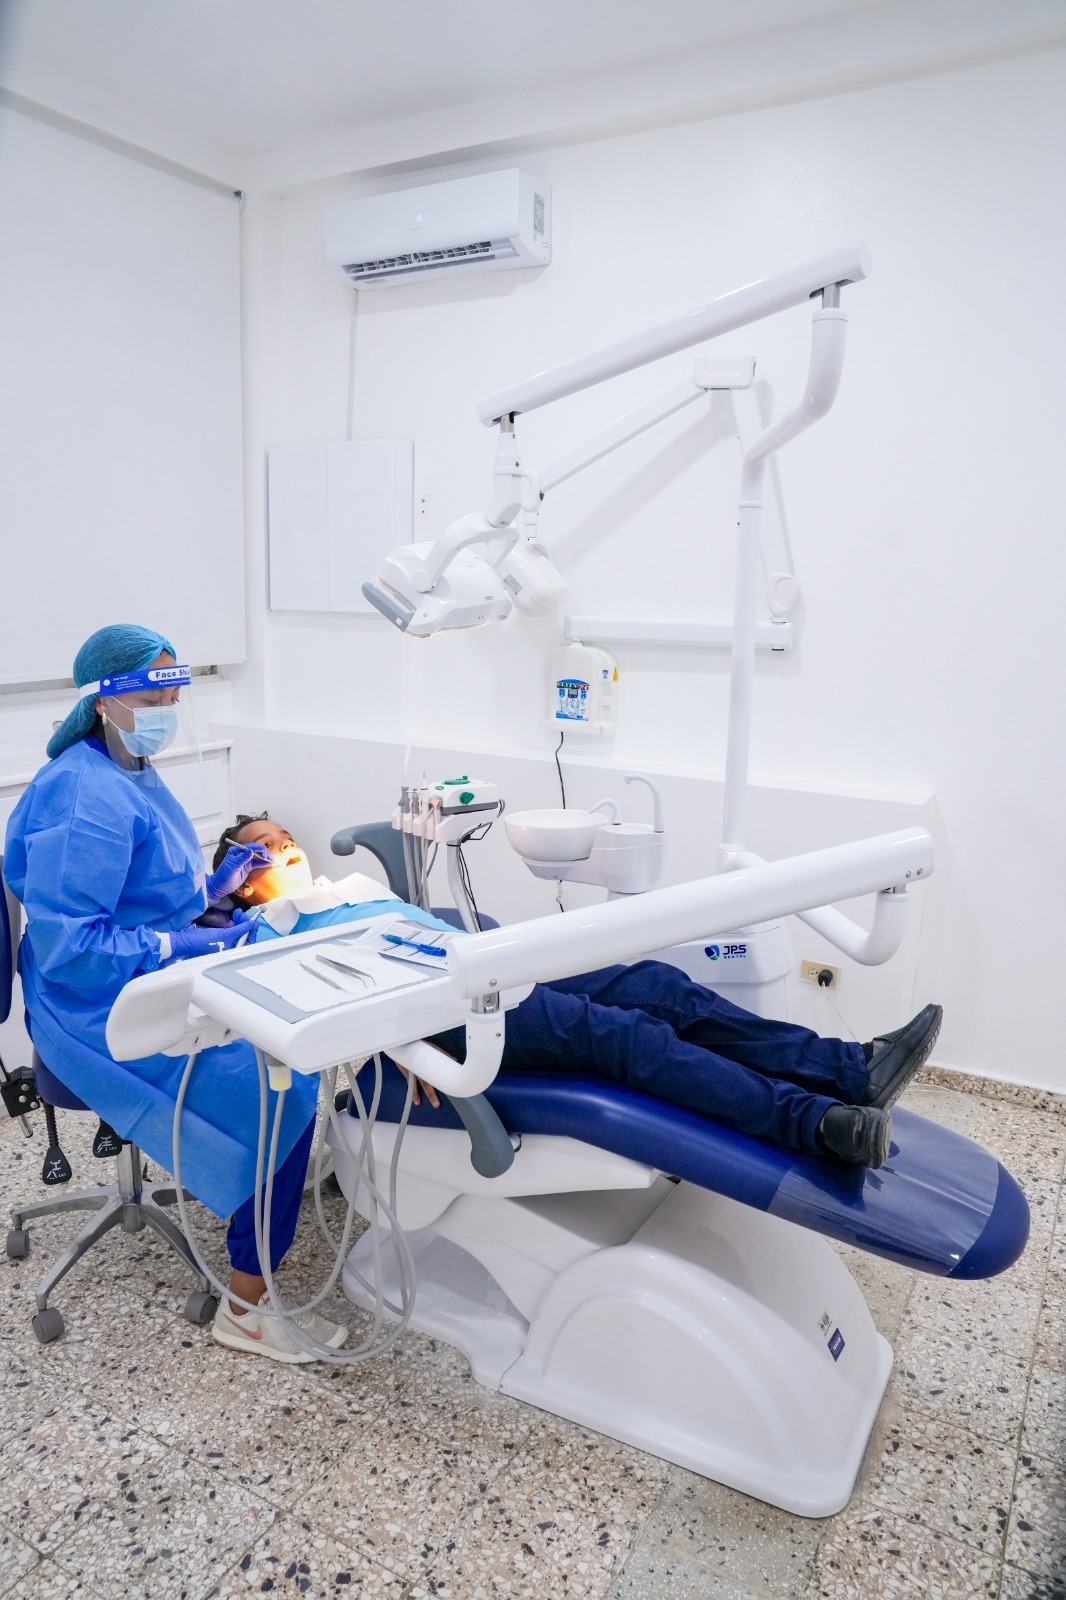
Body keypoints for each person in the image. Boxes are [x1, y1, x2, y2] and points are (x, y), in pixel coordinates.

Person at [214, 812, 944, 1168]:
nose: (286, 847)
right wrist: (402, 1042)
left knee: (658, 985)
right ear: (242, 880)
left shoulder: (351, 888)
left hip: (486, 963)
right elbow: (305, 1010)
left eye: (286, 836)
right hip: (445, 1008)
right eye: (265, 848)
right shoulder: (266, 933)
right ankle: (818, 1125)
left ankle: (848, 1069)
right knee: (626, 1038)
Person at [3, 626, 348, 1364]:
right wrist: (187, 944)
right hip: (89, 1005)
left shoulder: (129, 766)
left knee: (281, 1062)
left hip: (139, 973)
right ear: (104, 700)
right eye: (151, 694)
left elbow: (140, 890)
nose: (167, 708)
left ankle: (257, 1210)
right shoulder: (80, 794)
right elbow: (73, 950)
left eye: (173, 694)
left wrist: (211, 890)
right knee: (278, 1089)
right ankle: (246, 1311)